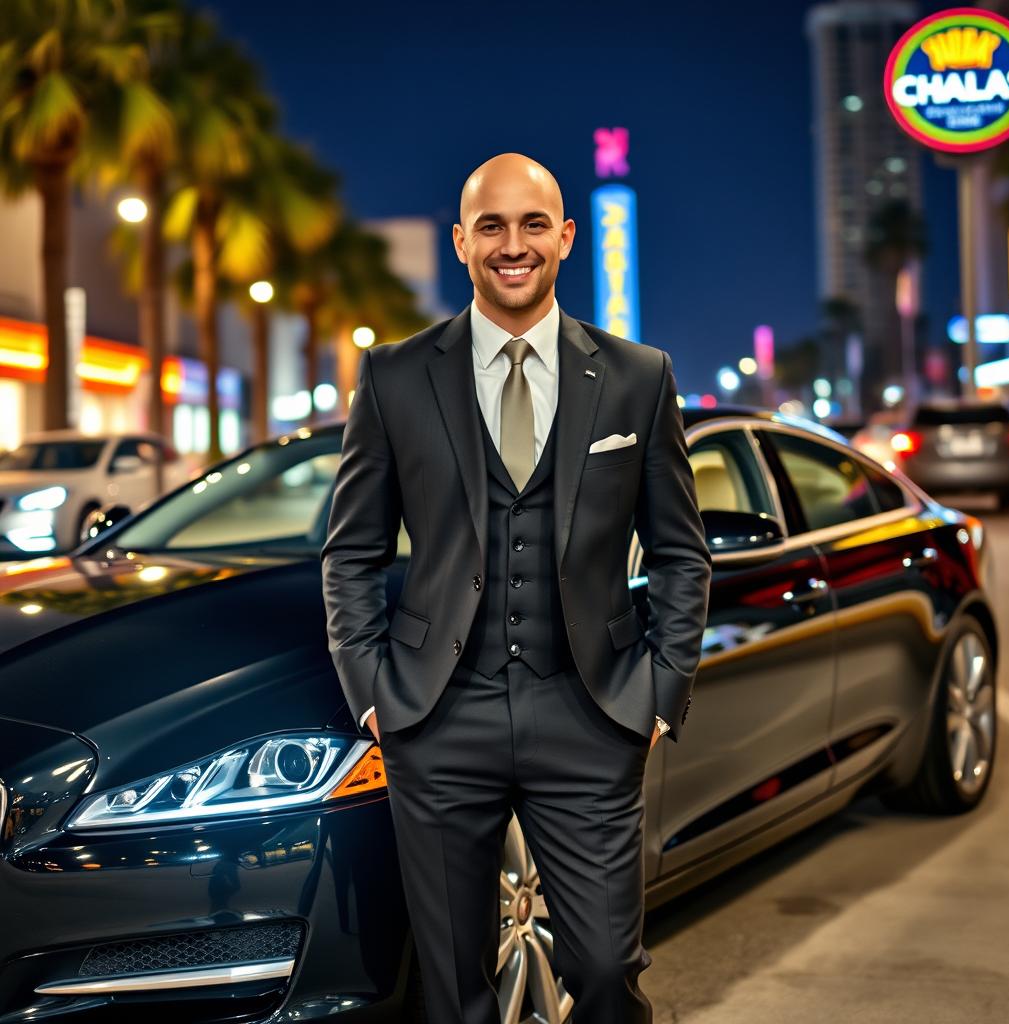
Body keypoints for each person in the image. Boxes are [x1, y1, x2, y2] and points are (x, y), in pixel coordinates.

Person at [321, 152, 712, 1024]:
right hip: (436, 717)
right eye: (491, 226)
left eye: (533, 224)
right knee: (455, 991)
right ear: (461, 242)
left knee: (607, 971)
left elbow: (683, 554)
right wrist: (375, 693)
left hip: (590, 712)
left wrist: (659, 691)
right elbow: (350, 551)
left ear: (567, 237)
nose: (513, 245)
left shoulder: (638, 377)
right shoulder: (393, 375)